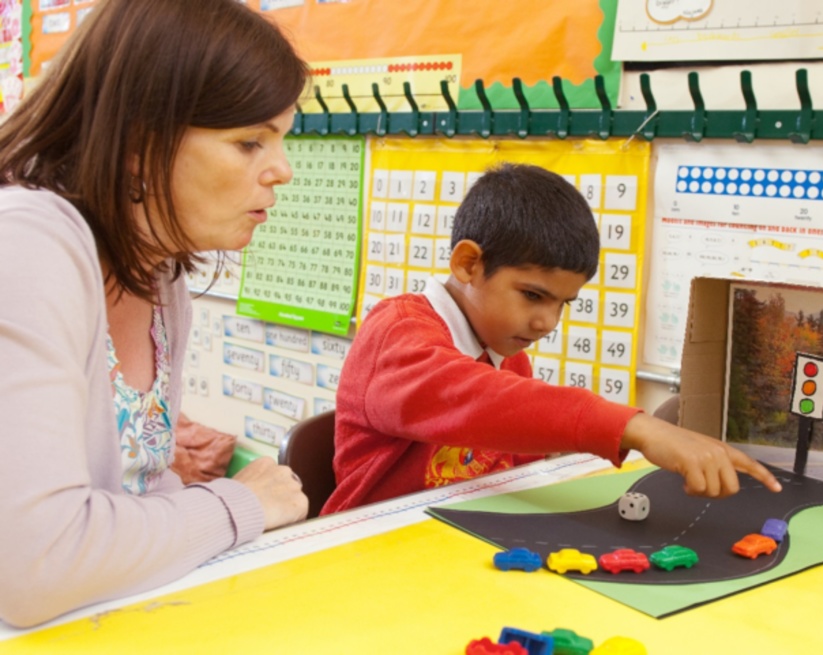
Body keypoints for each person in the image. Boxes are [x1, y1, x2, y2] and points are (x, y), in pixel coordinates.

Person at [0, 0, 310, 628]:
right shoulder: (28, 244)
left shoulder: (159, 269)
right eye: (249, 142)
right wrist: (235, 505)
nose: (281, 170)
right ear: (141, 145)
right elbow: (36, 565)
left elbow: (140, 492)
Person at [321, 163, 782, 514]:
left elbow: (524, 457)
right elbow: (476, 397)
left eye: (564, 303)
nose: (547, 322)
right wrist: (634, 427)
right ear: (467, 264)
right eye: (533, 295)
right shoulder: (397, 333)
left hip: (465, 537)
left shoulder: (505, 350)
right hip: (370, 549)